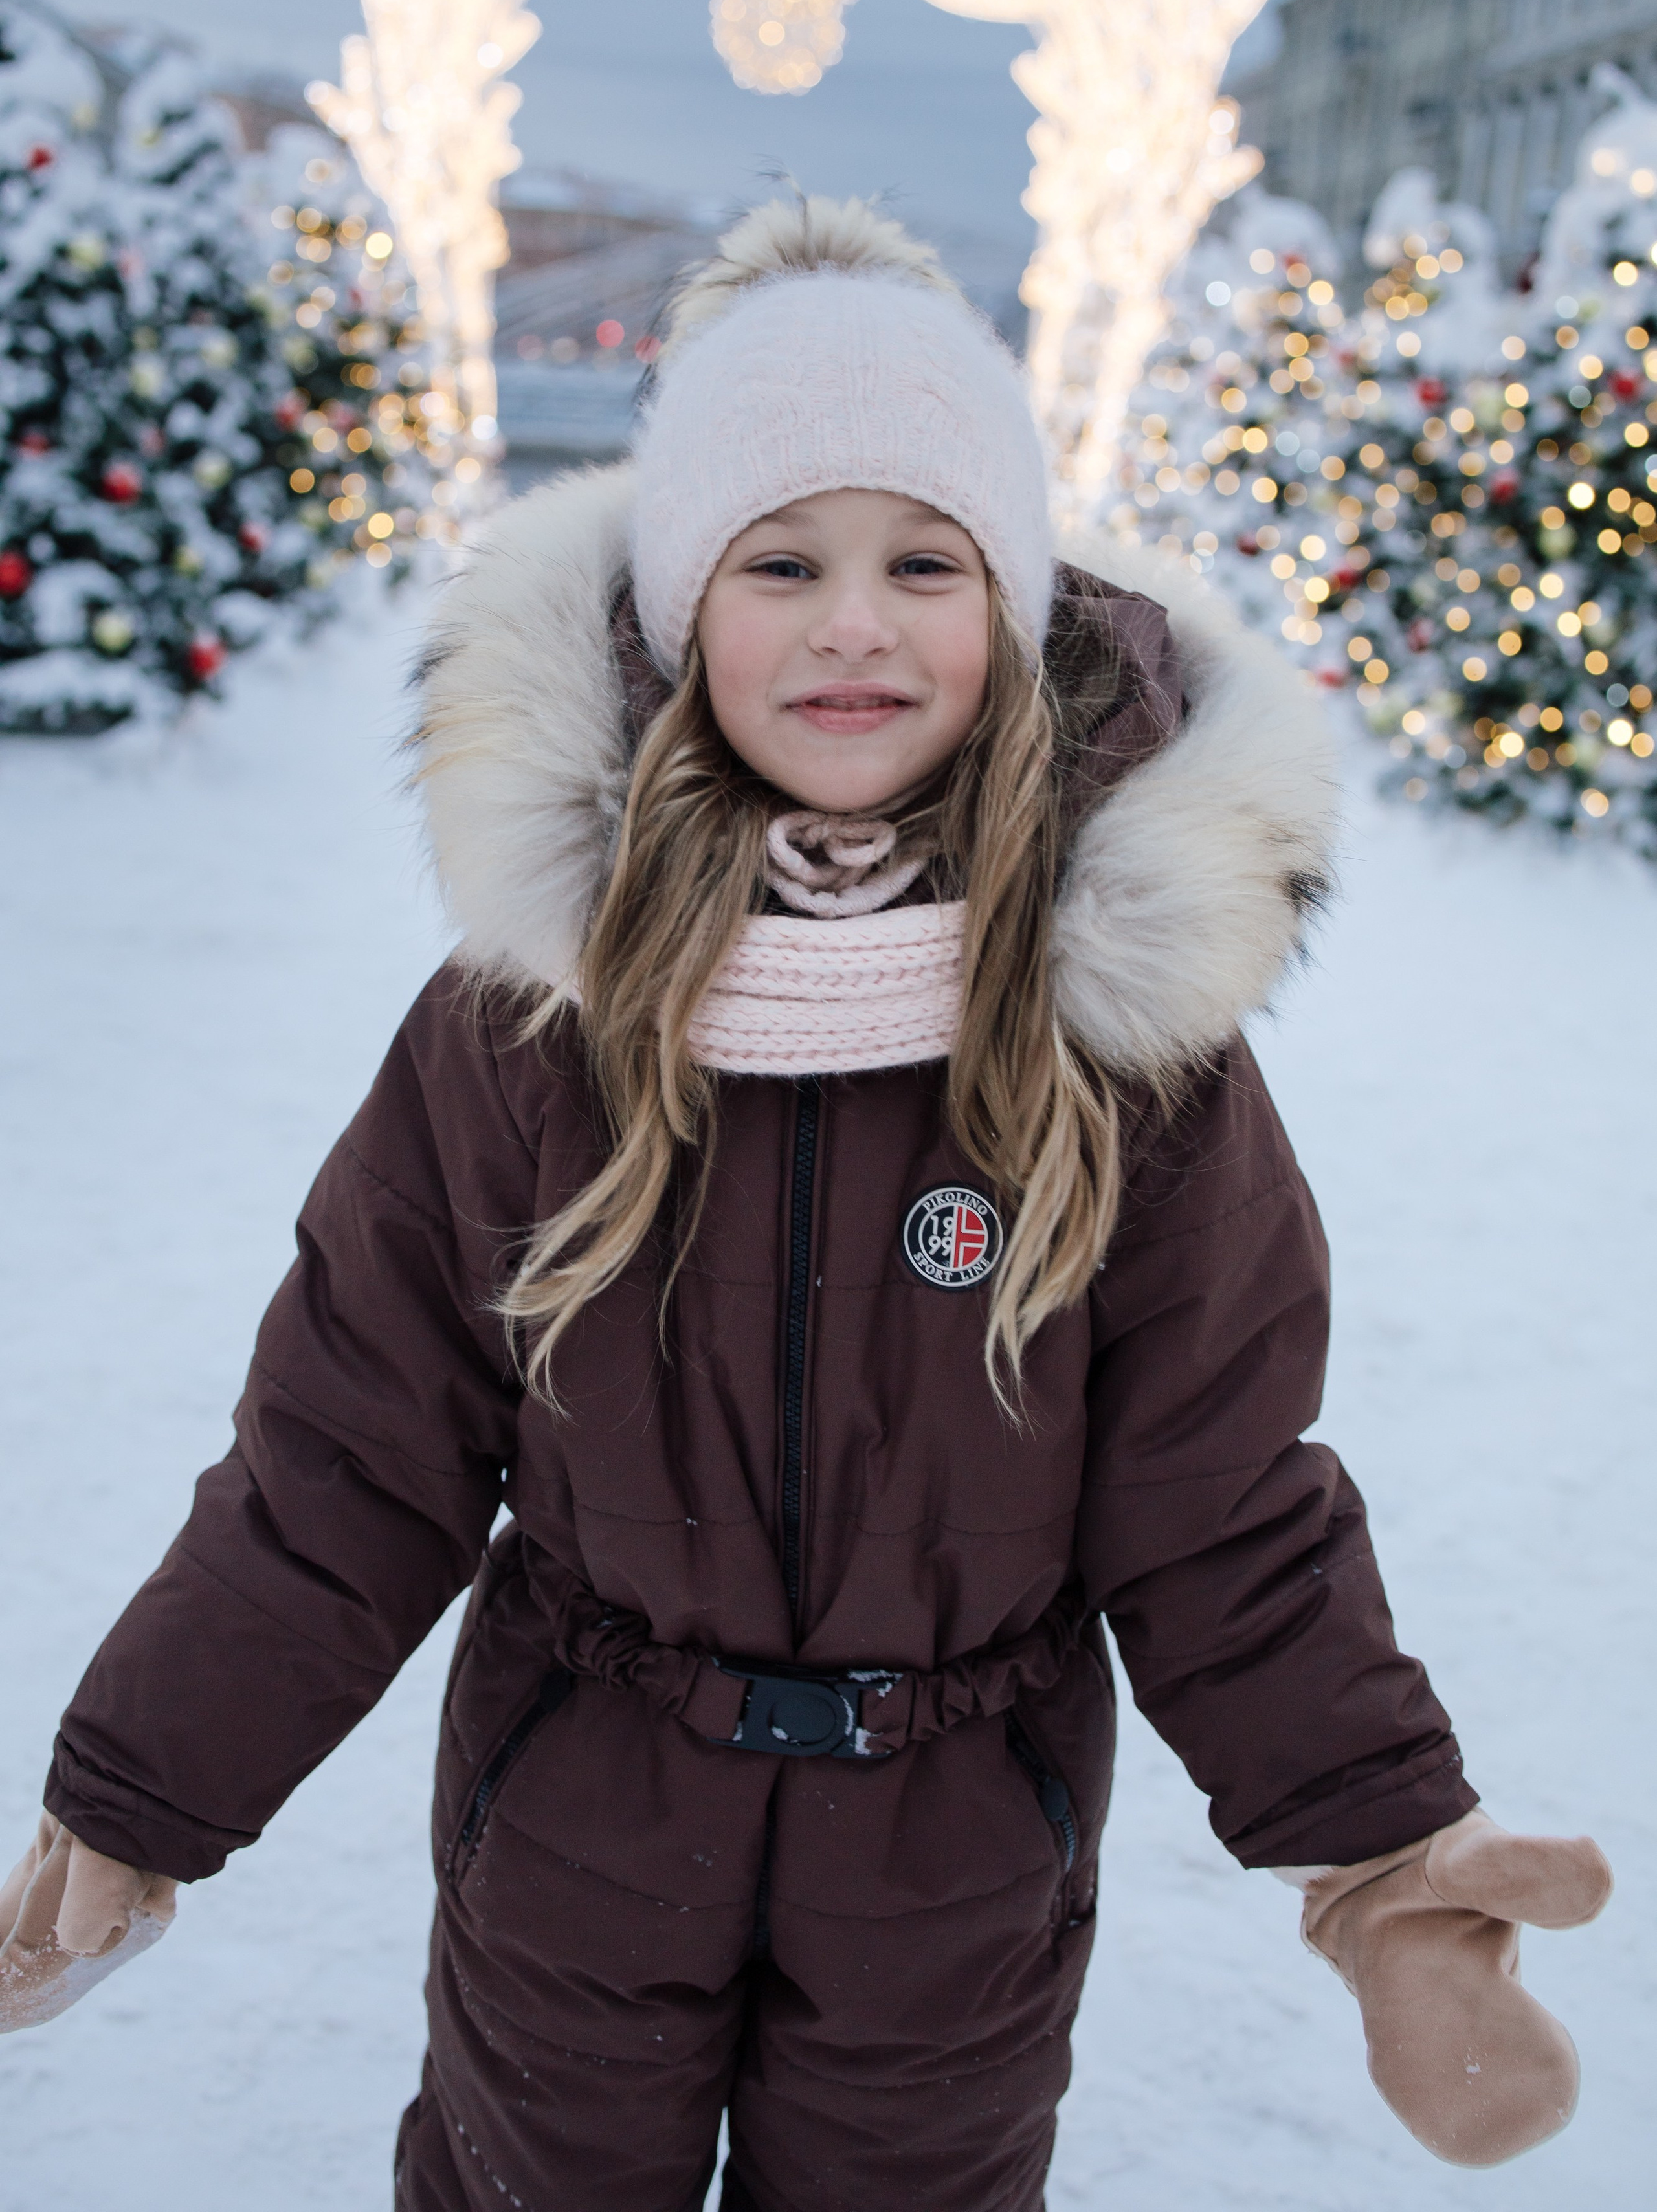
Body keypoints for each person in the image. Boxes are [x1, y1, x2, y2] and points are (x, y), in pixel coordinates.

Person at [0, 199, 1610, 2207]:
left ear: (1010, 605)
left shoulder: (1128, 1047)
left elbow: (1217, 1503)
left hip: (957, 1856)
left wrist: (1376, 1852)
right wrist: (139, 1791)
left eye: (925, 563)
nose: (856, 624)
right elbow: (349, 1455)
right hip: (577, 1819)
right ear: (684, 612)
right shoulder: (529, 1020)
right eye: (783, 564)